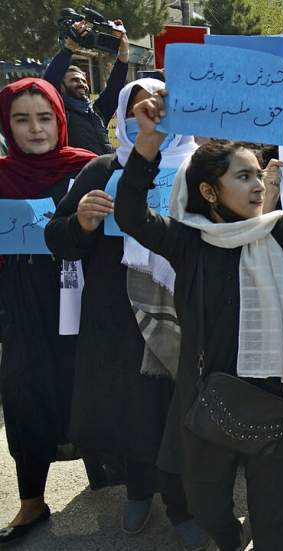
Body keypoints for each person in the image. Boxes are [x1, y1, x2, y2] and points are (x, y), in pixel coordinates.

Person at [114, 88, 283, 551]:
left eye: (257, 174)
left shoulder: (276, 235)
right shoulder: (189, 242)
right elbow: (130, 215)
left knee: (272, 524)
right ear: (209, 191)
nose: (256, 186)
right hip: (204, 401)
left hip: (270, 398)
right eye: (243, 176)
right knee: (208, 508)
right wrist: (148, 145)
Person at [42, 78, 207, 548]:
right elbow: (57, 239)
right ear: (121, 115)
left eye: (157, 107)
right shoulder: (100, 169)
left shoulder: (199, 169)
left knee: (178, 411)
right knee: (132, 410)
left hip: (181, 309)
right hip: (116, 317)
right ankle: (138, 490)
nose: (147, 116)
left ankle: (182, 504)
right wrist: (84, 222)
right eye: (136, 109)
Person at [0, 78, 97, 545]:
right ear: (7, 125)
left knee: (87, 383)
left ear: (60, 119)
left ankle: (109, 476)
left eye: (44, 117)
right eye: (22, 119)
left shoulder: (86, 169)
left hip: (77, 293)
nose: (35, 129)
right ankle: (31, 500)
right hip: (18, 302)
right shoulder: (0, 175)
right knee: (23, 392)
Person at [43, 20, 130, 154]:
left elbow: (115, 87)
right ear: (61, 86)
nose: (82, 84)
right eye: (74, 80)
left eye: (84, 80)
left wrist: (123, 52)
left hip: (106, 171)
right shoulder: (59, 113)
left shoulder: (97, 111)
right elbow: (48, 83)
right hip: (75, 174)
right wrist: (69, 48)